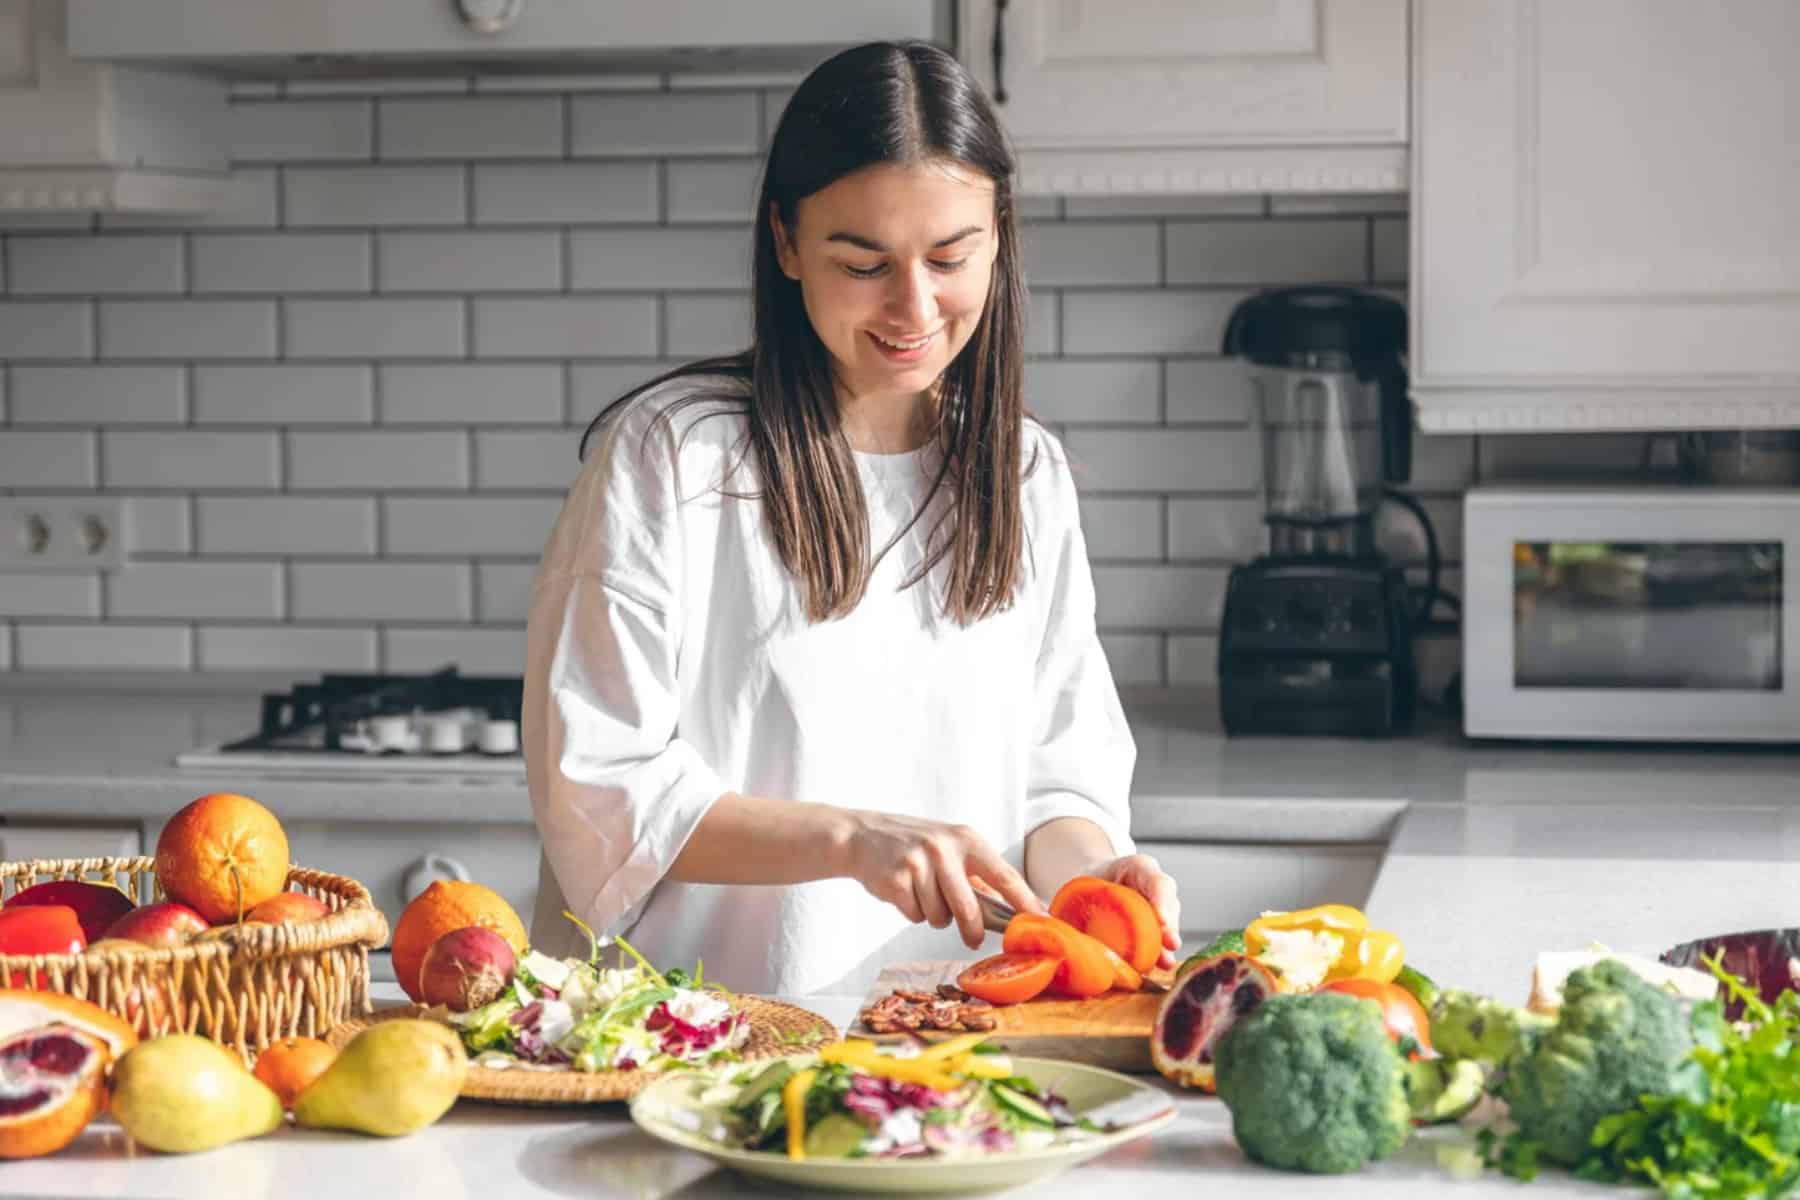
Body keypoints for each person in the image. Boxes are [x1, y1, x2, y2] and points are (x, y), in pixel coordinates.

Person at [524, 40, 1180, 998]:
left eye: (951, 257)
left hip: (954, 1040)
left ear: (999, 236)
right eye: (864, 262)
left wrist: (1093, 882)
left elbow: (1059, 776)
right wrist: (851, 839)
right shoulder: (676, 457)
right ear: (787, 242)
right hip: (697, 1046)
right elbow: (599, 790)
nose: (915, 306)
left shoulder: (1022, 470)